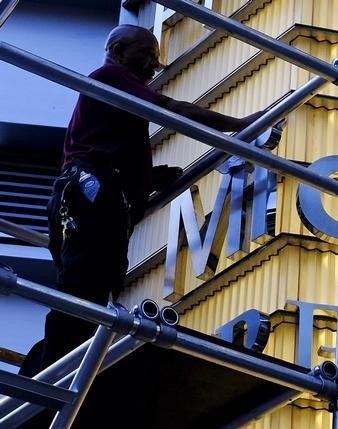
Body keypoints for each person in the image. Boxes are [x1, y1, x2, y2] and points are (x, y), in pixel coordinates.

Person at [18, 25, 265, 377]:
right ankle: (47, 379)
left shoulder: (111, 100)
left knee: (88, 295)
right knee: (83, 294)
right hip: (90, 194)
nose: (153, 65)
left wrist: (147, 179)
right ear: (118, 51)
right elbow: (173, 109)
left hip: (89, 195)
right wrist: (239, 124)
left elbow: (108, 149)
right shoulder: (110, 76)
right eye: (147, 54)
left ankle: (50, 374)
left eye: (156, 58)